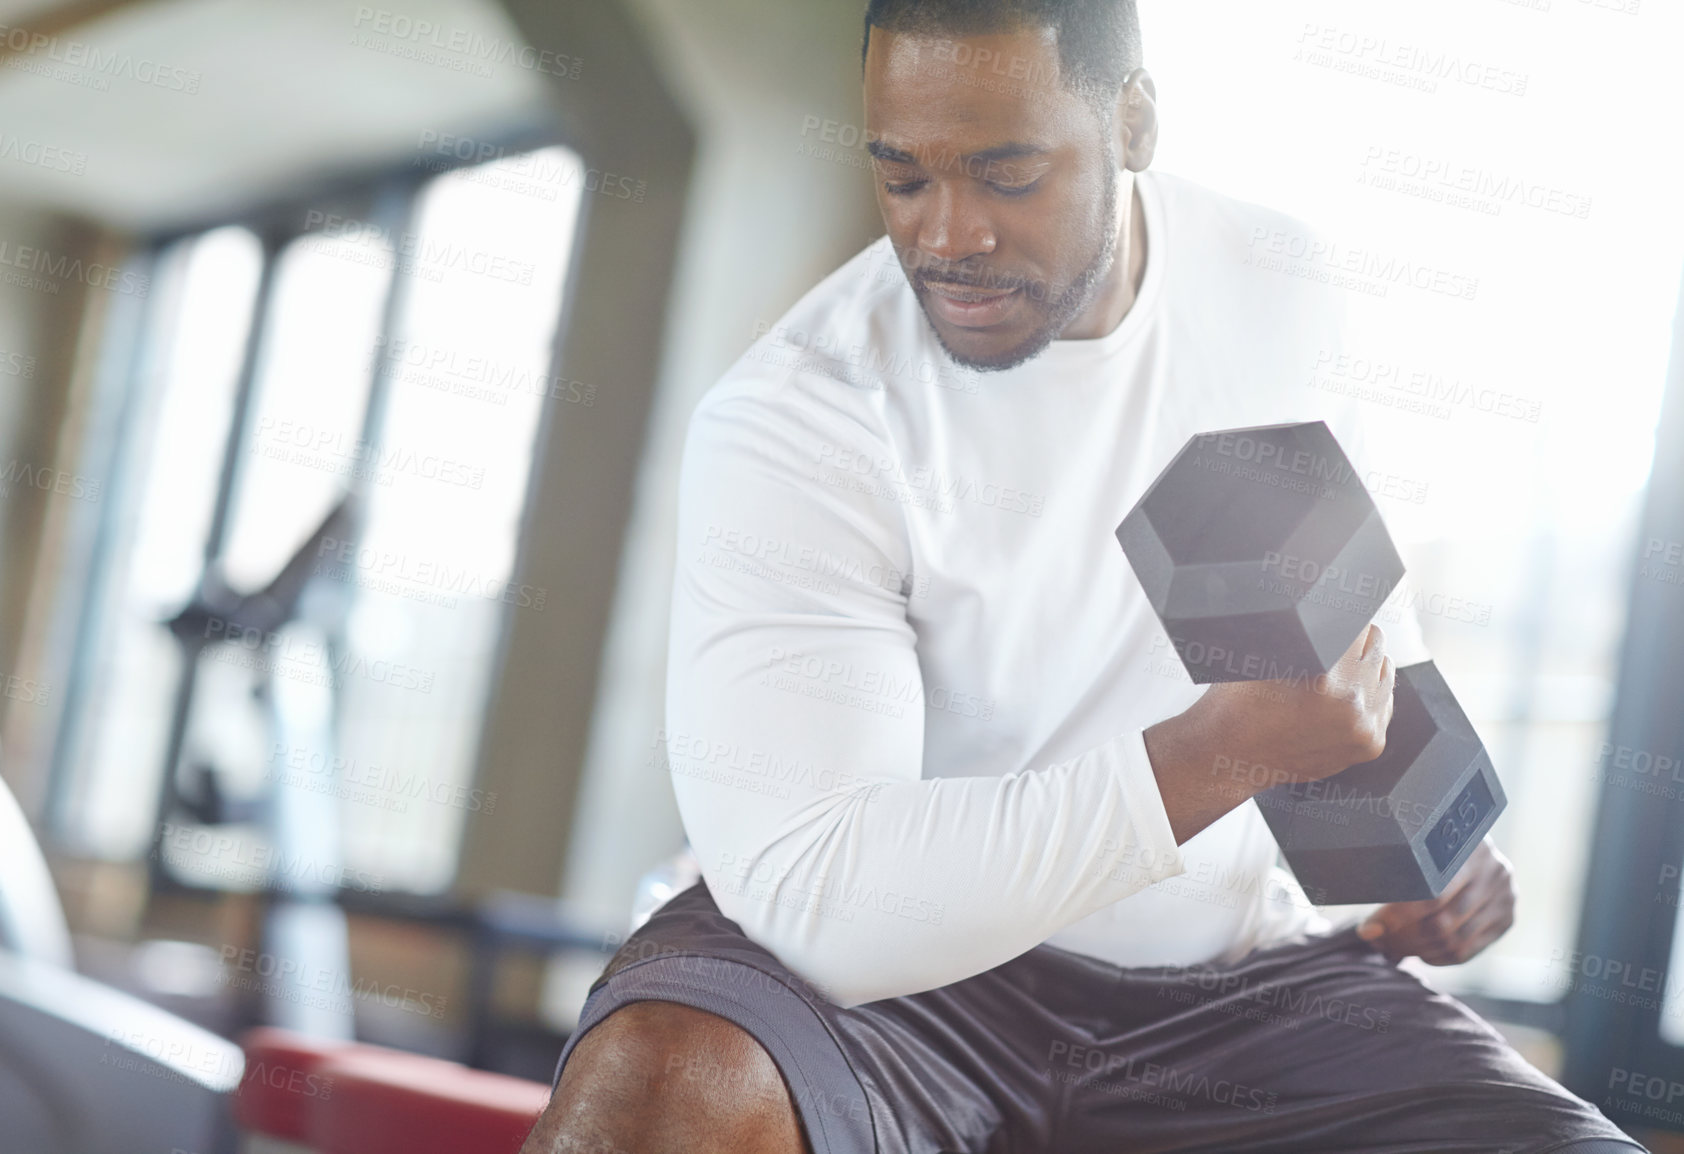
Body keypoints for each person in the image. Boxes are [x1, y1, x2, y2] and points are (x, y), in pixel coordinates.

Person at [524, 1, 1643, 1150]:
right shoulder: (797, 417)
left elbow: (1340, 628)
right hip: (894, 992)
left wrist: (1418, 846)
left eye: (1007, 175)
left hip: (1236, 988)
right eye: (902, 177)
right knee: (662, 1097)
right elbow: (822, 902)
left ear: (1135, 122)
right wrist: (1215, 755)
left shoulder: (1270, 281)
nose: (948, 235)